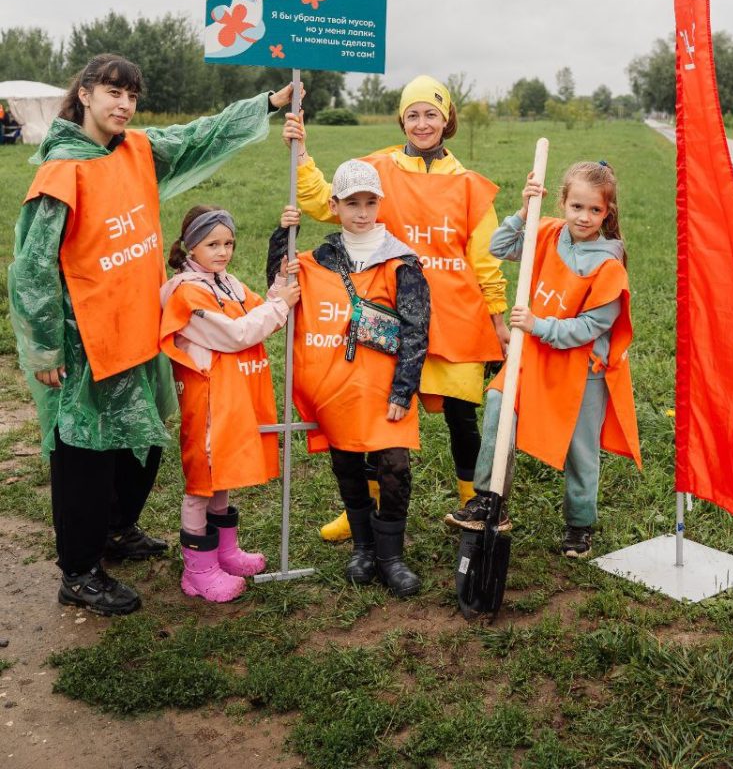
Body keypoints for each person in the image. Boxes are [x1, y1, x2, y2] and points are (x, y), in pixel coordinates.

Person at [8, 53, 295, 615]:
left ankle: (119, 530)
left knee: (139, 443)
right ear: (84, 94)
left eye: (132, 95)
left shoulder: (138, 149)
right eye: (112, 92)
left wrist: (265, 104)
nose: (124, 105)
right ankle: (80, 570)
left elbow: (196, 136)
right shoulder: (63, 171)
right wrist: (44, 346)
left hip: (140, 327)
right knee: (85, 455)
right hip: (84, 341)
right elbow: (33, 265)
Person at [282, 75, 508, 539]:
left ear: (447, 119)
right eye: (413, 114)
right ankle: (364, 508)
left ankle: (474, 506)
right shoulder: (378, 169)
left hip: (457, 317)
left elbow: (484, 259)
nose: (422, 123)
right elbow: (324, 202)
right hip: (391, 313)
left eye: (431, 113)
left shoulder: (469, 186)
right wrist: (301, 153)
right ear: (401, 119)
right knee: (373, 411)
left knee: (461, 415)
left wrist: (498, 317)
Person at [446, 160, 641, 558]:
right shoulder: (548, 231)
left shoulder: (608, 263)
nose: (584, 217)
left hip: (581, 368)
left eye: (595, 210)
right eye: (576, 207)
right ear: (564, 203)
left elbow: (589, 327)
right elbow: (499, 247)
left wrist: (538, 324)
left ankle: (579, 524)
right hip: (533, 357)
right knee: (499, 402)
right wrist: (523, 210)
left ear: (608, 213)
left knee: (580, 450)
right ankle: (490, 499)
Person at [268, 159, 430, 596]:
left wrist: (404, 387)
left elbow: (417, 328)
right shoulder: (318, 257)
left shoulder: (401, 261)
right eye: (351, 203)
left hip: (383, 389)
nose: (361, 212)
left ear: (380, 203)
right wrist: (281, 237)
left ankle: (390, 556)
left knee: (394, 466)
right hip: (334, 387)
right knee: (346, 464)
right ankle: (362, 547)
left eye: (369, 202)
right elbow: (279, 289)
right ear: (334, 205)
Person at [160, 205, 300, 602]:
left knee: (221, 474)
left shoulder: (227, 282)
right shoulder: (187, 293)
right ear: (191, 246)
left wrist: (278, 288)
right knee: (202, 482)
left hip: (231, 397)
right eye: (212, 244)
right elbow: (238, 333)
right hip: (206, 403)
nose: (222, 252)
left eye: (228, 243)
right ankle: (199, 571)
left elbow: (259, 309)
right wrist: (281, 304)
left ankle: (224, 553)